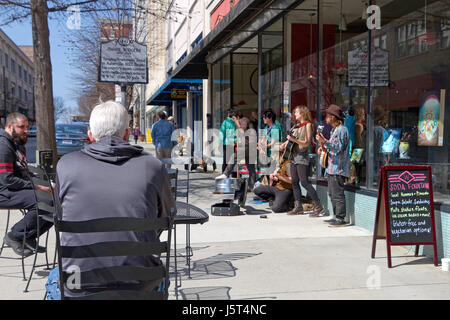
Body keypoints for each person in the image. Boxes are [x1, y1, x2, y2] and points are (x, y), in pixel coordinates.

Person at [56, 100, 176, 297]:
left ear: (90, 135)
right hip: (140, 283)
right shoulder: (153, 167)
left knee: (56, 277)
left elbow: (63, 216)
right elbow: (166, 218)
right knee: (159, 273)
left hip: (78, 283)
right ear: (127, 134)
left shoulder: (66, 165)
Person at [0, 113, 53, 257]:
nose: (25, 131)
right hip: (4, 191)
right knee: (44, 201)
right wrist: (37, 187)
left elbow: (24, 173)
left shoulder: (18, 144)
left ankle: (27, 237)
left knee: (55, 201)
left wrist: (46, 184)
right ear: (10, 127)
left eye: (27, 127)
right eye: (21, 127)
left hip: (14, 189)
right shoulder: (4, 146)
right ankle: (15, 235)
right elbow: (7, 179)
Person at [280, 106, 324, 216]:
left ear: (303, 113)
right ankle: (298, 206)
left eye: (297, 112)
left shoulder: (308, 125)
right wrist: (285, 144)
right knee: (294, 182)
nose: (295, 114)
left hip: (302, 157)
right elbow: (291, 140)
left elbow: (307, 143)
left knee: (304, 182)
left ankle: (318, 206)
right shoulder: (296, 126)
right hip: (293, 156)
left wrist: (293, 139)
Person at [316, 104, 351, 227]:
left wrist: (325, 142)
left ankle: (340, 218)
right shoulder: (334, 130)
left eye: (327, 115)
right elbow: (332, 147)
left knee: (338, 194)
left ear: (333, 117)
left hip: (338, 168)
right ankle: (336, 216)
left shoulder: (342, 130)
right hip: (332, 167)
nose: (326, 118)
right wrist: (323, 146)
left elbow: (338, 147)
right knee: (332, 193)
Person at [236, 117, 257, 191]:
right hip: (251, 148)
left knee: (233, 158)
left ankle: (225, 174)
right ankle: (252, 187)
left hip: (247, 148)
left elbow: (243, 129)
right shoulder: (249, 124)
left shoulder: (243, 120)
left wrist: (237, 123)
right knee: (251, 168)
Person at [216, 109, 237, 179]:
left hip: (227, 143)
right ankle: (234, 175)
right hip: (234, 143)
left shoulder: (225, 122)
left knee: (225, 160)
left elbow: (222, 133)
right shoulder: (235, 122)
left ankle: (224, 175)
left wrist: (220, 143)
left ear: (228, 114)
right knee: (233, 160)